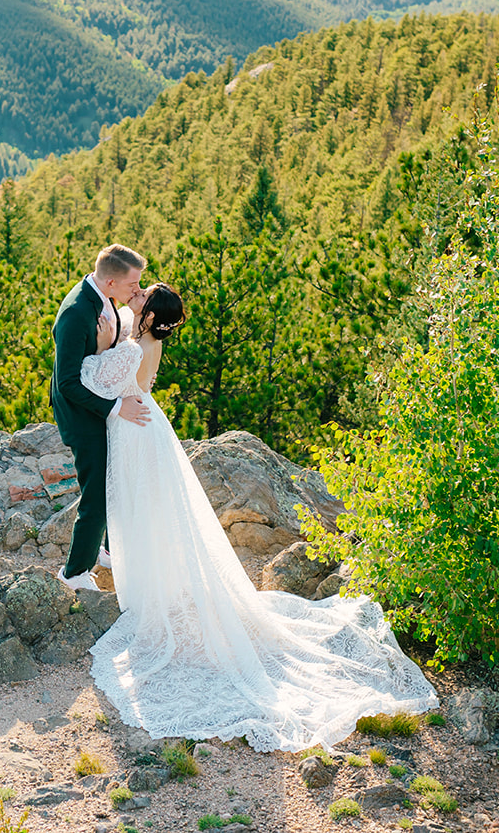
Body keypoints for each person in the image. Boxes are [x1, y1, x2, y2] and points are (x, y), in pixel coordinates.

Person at [78, 282, 438, 751]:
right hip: (143, 426)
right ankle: (156, 586)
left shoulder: (134, 346)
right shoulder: (148, 342)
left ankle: (150, 593)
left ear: (148, 317)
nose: (138, 295)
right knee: (150, 514)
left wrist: (105, 344)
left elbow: (91, 377)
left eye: (144, 296)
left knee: (143, 511)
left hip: (136, 429)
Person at [50, 244, 151, 591]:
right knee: (97, 493)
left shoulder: (104, 298)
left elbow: (100, 351)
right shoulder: (77, 313)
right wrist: (115, 407)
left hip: (99, 402)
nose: (138, 291)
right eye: (133, 286)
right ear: (110, 283)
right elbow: (66, 383)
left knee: (115, 478)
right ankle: (75, 573)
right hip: (82, 413)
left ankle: (108, 549)